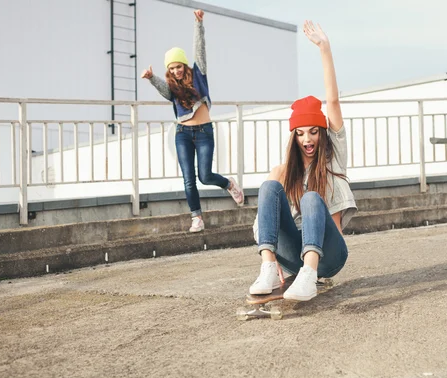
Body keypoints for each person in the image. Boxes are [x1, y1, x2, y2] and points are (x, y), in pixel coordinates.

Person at [249, 21, 357, 301]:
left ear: (322, 132)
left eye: (312, 132)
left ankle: (309, 276)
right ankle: (268, 266)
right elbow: (261, 224)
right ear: (293, 137)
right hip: (293, 255)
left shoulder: (334, 156)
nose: (307, 139)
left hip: (329, 256)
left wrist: (325, 48)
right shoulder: (286, 172)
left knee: (311, 198)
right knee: (269, 185)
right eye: (300, 133)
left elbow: (332, 101)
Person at [141, 9, 244, 233]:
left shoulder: (199, 73)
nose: (176, 71)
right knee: (189, 179)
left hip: (204, 132)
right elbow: (165, 92)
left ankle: (228, 184)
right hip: (183, 135)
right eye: (171, 68)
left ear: (184, 65)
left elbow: (200, 48)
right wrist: (151, 79)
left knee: (205, 176)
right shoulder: (172, 86)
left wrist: (198, 24)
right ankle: (196, 217)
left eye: (178, 66)